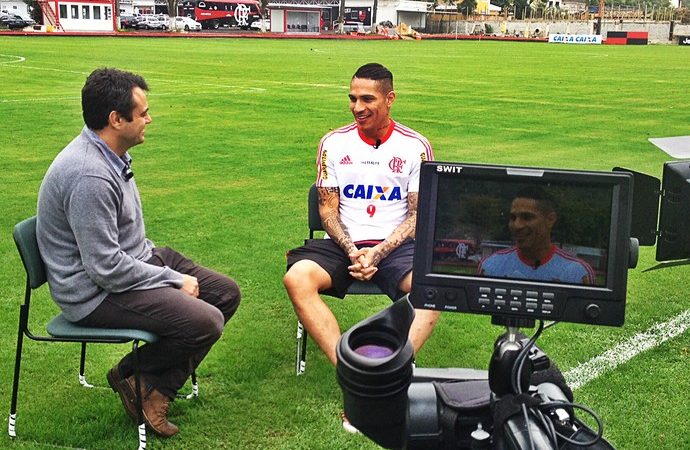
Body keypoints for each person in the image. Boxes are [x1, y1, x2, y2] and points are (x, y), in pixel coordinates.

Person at [36, 68, 241, 438]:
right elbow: (105, 269)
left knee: (225, 294)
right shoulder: (90, 175)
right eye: (143, 112)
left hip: (134, 261)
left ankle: (141, 380)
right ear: (116, 119)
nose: (149, 118)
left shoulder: (109, 154)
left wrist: (162, 269)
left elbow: (118, 255)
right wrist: (173, 278)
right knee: (205, 321)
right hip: (94, 293)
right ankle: (145, 385)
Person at [283, 62, 440, 391]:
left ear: (390, 99)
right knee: (297, 279)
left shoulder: (415, 146)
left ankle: (394, 371)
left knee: (432, 287)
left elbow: (416, 216)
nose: (357, 107)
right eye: (352, 98)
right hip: (343, 245)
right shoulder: (333, 143)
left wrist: (378, 253)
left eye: (367, 99)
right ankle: (355, 377)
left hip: (396, 246)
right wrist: (355, 251)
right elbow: (327, 209)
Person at [477, 186, 595, 284]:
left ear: (550, 219)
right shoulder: (490, 266)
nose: (517, 225)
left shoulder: (578, 273)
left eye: (527, 217)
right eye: (513, 218)